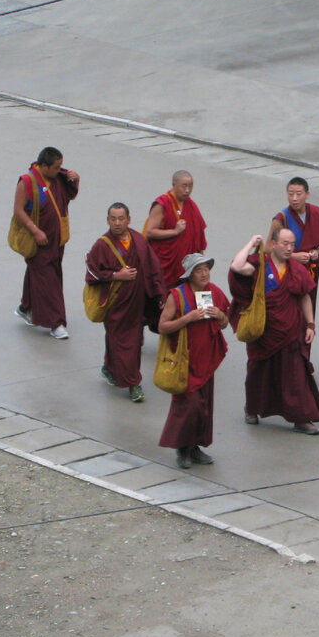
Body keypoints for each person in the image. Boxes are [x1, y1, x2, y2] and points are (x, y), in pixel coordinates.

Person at [229, 228, 319, 435]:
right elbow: (237, 266)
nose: (290, 248)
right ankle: (252, 409)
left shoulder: (296, 269)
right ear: (273, 244)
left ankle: (301, 419)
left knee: (296, 376)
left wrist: (310, 325)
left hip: (290, 331)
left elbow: (305, 296)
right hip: (263, 332)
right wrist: (251, 243)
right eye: (285, 243)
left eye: (292, 244)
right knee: (258, 373)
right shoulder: (259, 265)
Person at [85, 203, 165, 404]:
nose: (117, 223)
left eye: (121, 218)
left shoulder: (138, 240)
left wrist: (160, 295)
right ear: (108, 220)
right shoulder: (102, 245)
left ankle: (118, 373)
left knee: (133, 342)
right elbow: (92, 272)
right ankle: (133, 384)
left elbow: (153, 268)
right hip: (115, 305)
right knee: (118, 340)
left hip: (137, 303)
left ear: (129, 219)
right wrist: (115, 275)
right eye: (113, 219)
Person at [158, 253, 229, 469]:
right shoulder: (177, 296)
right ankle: (182, 449)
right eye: (199, 270)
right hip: (184, 360)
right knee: (189, 406)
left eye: (206, 268)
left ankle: (195, 447)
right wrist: (188, 318)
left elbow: (226, 323)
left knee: (204, 407)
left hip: (206, 360)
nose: (205, 273)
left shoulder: (214, 292)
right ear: (189, 275)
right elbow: (162, 327)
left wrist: (219, 315)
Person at [13, 146, 79, 339]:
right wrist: (35, 231)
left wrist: (76, 180)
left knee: (41, 274)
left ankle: (26, 307)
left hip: (56, 241)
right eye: (56, 167)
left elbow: (70, 196)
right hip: (38, 241)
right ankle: (56, 322)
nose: (60, 170)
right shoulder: (27, 182)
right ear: (43, 166)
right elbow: (18, 210)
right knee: (49, 281)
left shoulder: (58, 178)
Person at [267, 177, 319, 312]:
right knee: (290, 310)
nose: (294, 198)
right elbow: (268, 249)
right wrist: (294, 256)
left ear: (307, 194)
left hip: (310, 271)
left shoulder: (316, 213)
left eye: (298, 194)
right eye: (290, 194)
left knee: (308, 307)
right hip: (287, 272)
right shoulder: (281, 219)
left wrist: (317, 251)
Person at [143, 170, 208, 290]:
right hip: (165, 265)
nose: (187, 190)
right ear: (174, 185)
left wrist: (201, 265)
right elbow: (150, 231)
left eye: (190, 186)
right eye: (184, 186)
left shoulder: (192, 206)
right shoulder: (162, 204)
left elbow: (198, 239)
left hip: (185, 267)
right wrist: (175, 232)